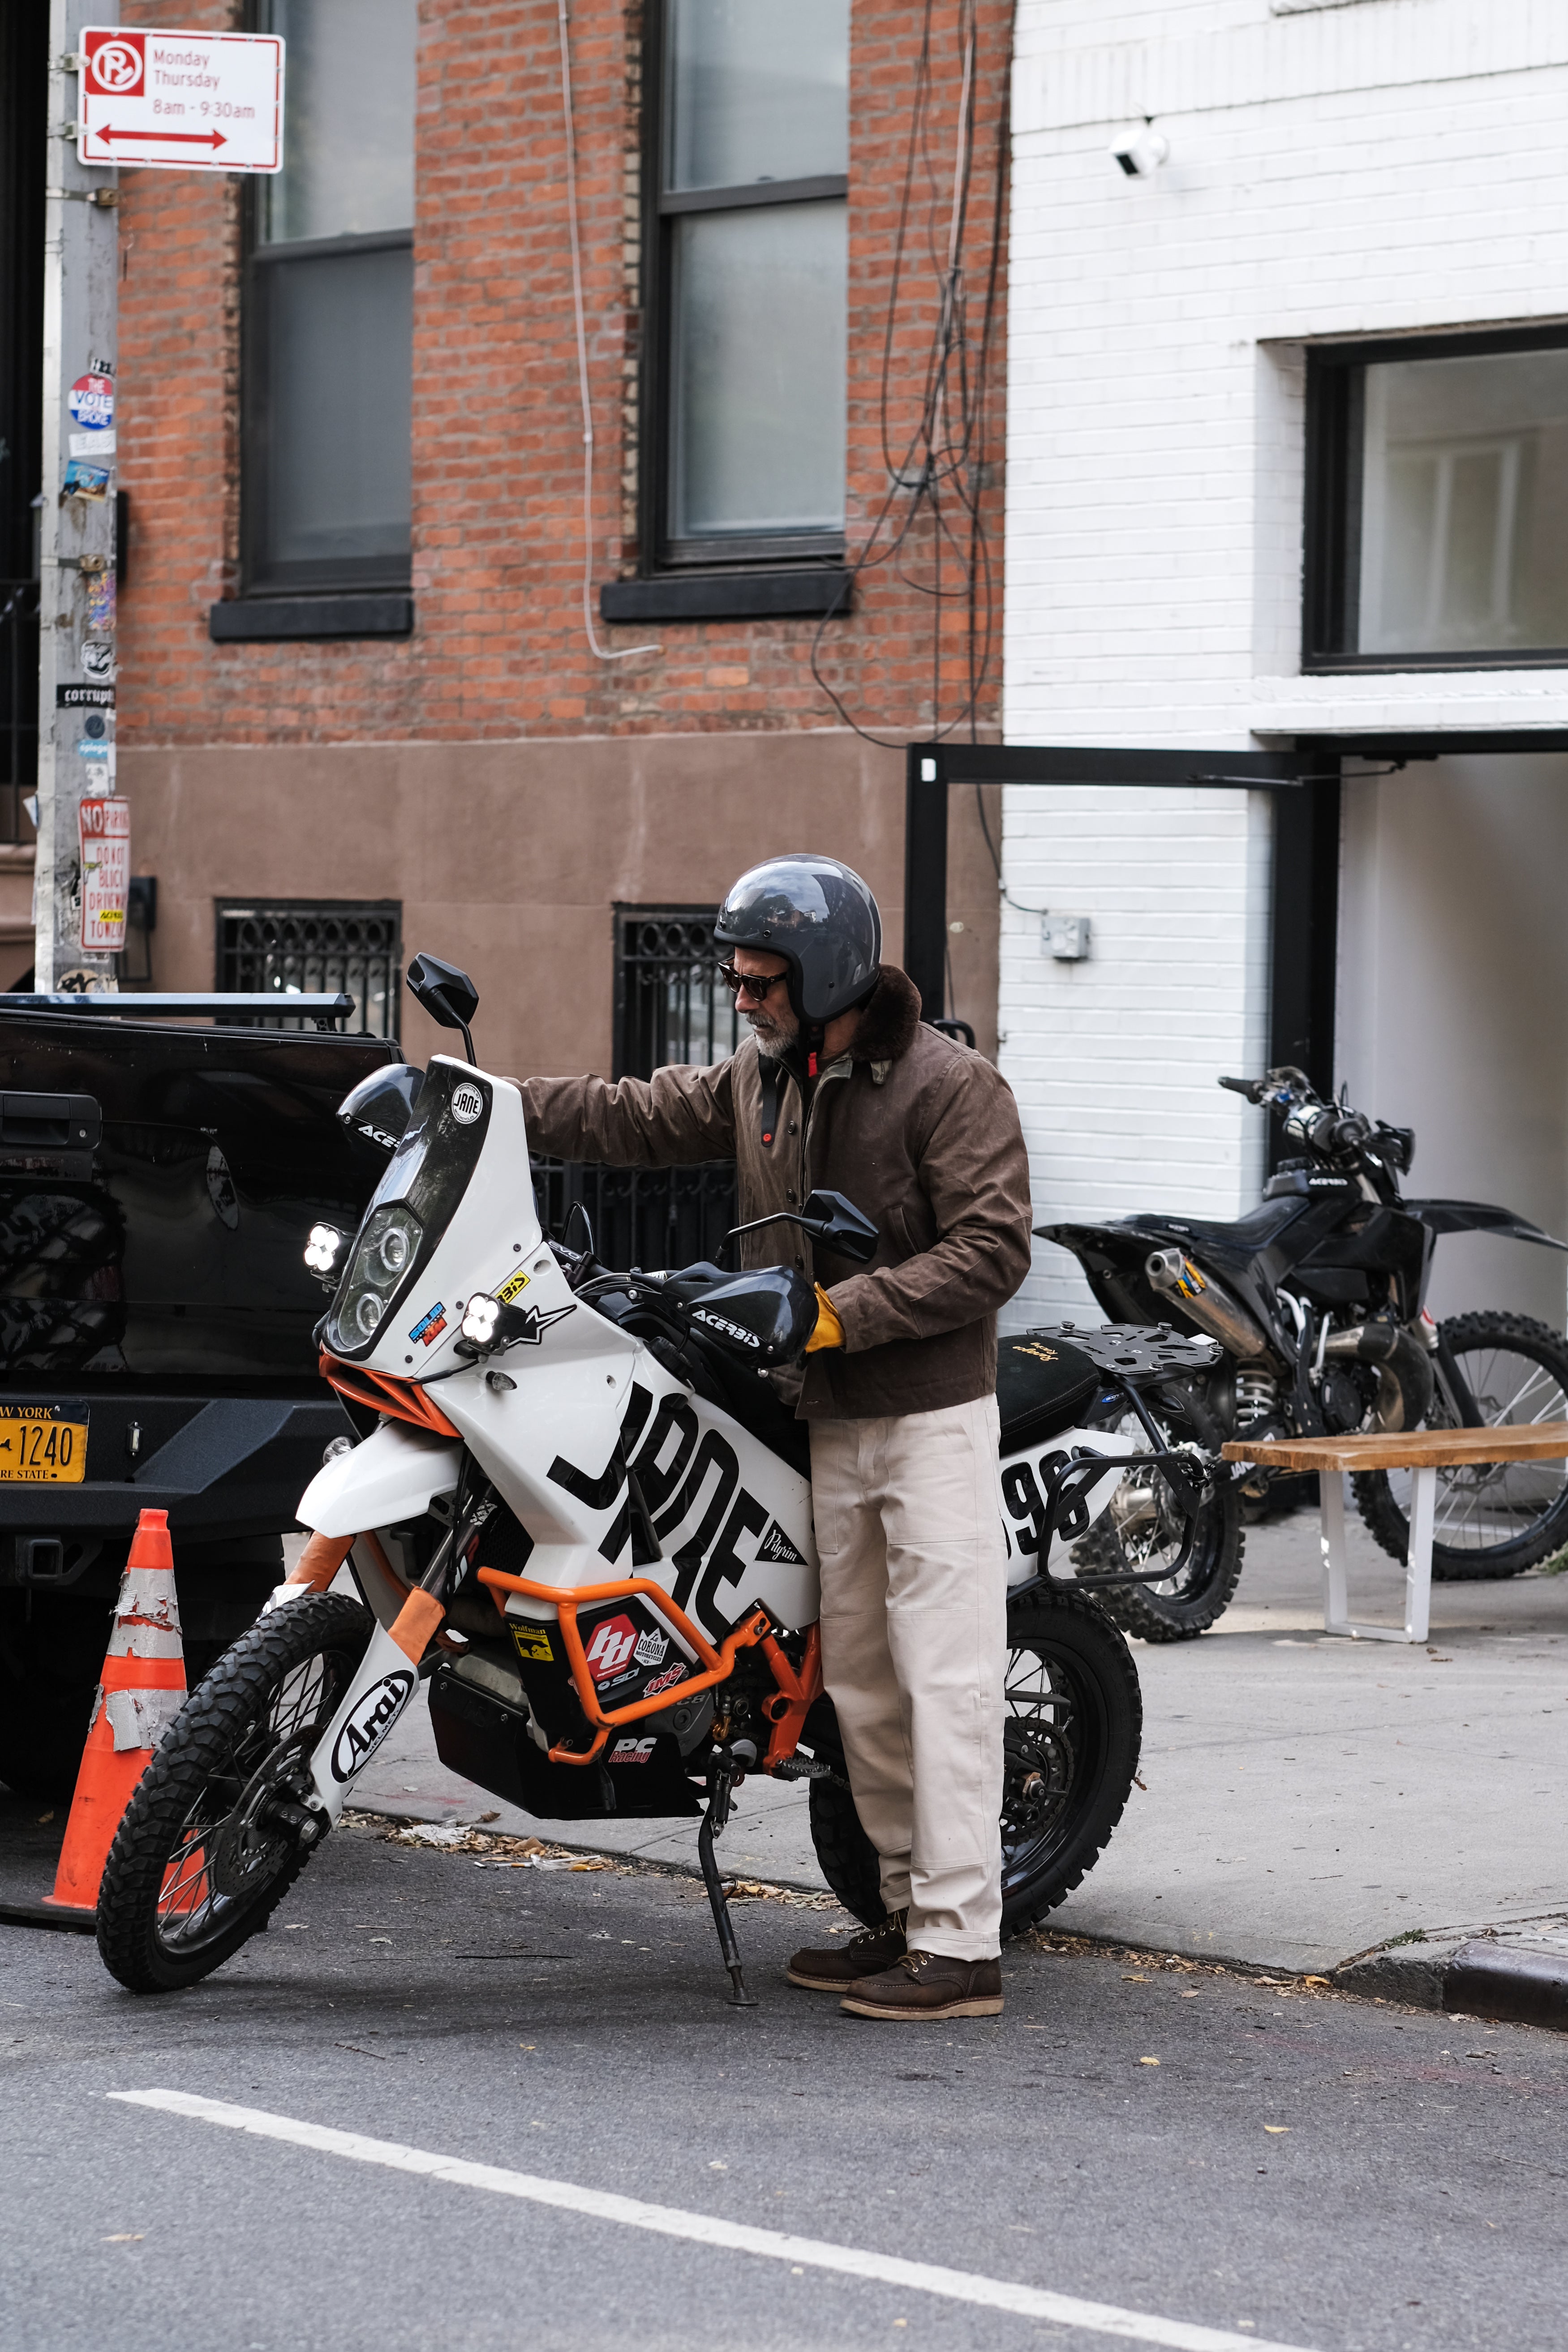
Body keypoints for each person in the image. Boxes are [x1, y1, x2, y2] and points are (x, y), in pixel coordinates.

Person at [517, 854, 1033, 2021]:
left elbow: (994, 1252)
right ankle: (904, 1916)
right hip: (824, 1416)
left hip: (929, 1417)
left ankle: (963, 1946)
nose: (741, 998)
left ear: (831, 972)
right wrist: (484, 1101)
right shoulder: (766, 1075)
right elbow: (636, 1114)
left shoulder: (953, 1087)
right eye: (736, 980)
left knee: (946, 1679)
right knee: (859, 1684)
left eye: (761, 982)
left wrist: (840, 1310)